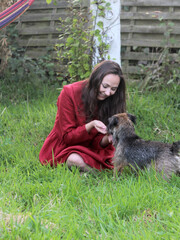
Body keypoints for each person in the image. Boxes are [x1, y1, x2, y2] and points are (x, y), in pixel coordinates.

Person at [39, 60, 126, 171]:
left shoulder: (113, 99)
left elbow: (98, 142)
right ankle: (96, 173)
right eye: (105, 86)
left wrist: (107, 139)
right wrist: (90, 125)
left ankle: (90, 171)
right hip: (67, 145)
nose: (108, 93)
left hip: (93, 148)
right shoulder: (69, 93)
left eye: (113, 89)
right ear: (96, 79)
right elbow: (67, 137)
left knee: (119, 160)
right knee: (75, 159)